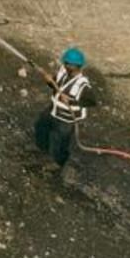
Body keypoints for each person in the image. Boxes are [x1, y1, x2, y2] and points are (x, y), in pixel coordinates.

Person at [32, 46, 92, 184]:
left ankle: (58, 163)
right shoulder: (63, 73)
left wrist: (72, 100)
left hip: (67, 119)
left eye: (68, 64)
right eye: (65, 63)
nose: (65, 65)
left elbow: (91, 101)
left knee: (60, 141)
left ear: (77, 66)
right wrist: (49, 80)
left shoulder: (82, 85)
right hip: (53, 111)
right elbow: (55, 85)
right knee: (41, 126)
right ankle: (42, 149)